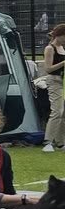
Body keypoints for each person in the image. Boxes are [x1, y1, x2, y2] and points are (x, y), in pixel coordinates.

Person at [42, 24, 65, 152]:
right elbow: (48, 68)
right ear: (59, 35)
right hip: (54, 81)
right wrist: (63, 63)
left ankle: (61, 142)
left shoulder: (62, 48)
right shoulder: (50, 48)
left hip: (63, 81)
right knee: (57, 111)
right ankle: (48, 141)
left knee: (63, 112)